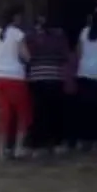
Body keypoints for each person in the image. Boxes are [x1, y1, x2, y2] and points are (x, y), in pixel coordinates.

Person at [69, 5, 97, 151]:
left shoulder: (84, 31)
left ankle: (83, 139)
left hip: (83, 72)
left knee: (84, 108)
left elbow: (79, 53)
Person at [25, 15, 71, 156]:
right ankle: (57, 142)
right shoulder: (59, 38)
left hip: (36, 78)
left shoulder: (30, 37)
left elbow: (27, 56)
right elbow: (65, 56)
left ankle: (38, 144)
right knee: (55, 111)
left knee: (39, 112)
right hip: (54, 77)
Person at [0, 6, 32, 160]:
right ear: (15, 18)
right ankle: (18, 147)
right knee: (23, 113)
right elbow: (26, 56)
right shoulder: (17, 34)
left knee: (4, 114)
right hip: (15, 76)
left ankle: (1, 151)